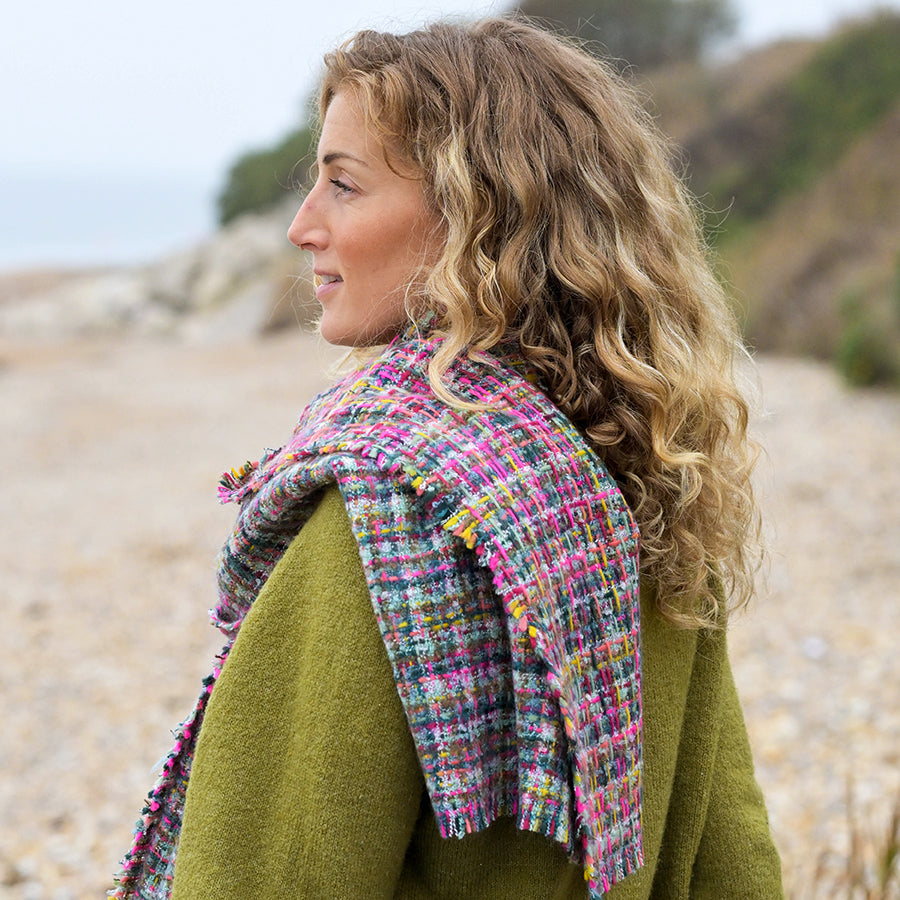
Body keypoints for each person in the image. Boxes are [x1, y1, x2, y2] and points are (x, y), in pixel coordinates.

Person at [113, 17, 783, 900]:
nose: (301, 226)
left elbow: (266, 874)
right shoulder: (640, 476)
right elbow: (728, 860)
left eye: (343, 187)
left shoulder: (392, 510)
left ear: (476, 218)